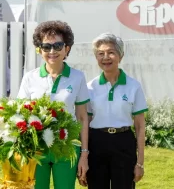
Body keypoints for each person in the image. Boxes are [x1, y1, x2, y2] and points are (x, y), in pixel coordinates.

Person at [17, 20, 89, 189]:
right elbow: (20, 115)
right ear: (39, 49)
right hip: (36, 148)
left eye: (58, 45)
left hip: (67, 147)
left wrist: (84, 154)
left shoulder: (78, 77)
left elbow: (82, 117)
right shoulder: (30, 77)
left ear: (67, 48)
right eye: (46, 46)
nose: (52, 51)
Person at [84, 33, 148, 189]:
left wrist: (140, 162)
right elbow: (85, 123)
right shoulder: (90, 87)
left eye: (111, 52)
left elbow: (140, 125)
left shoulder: (134, 86)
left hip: (124, 142)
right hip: (96, 143)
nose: (106, 57)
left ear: (121, 56)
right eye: (100, 53)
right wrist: (83, 157)